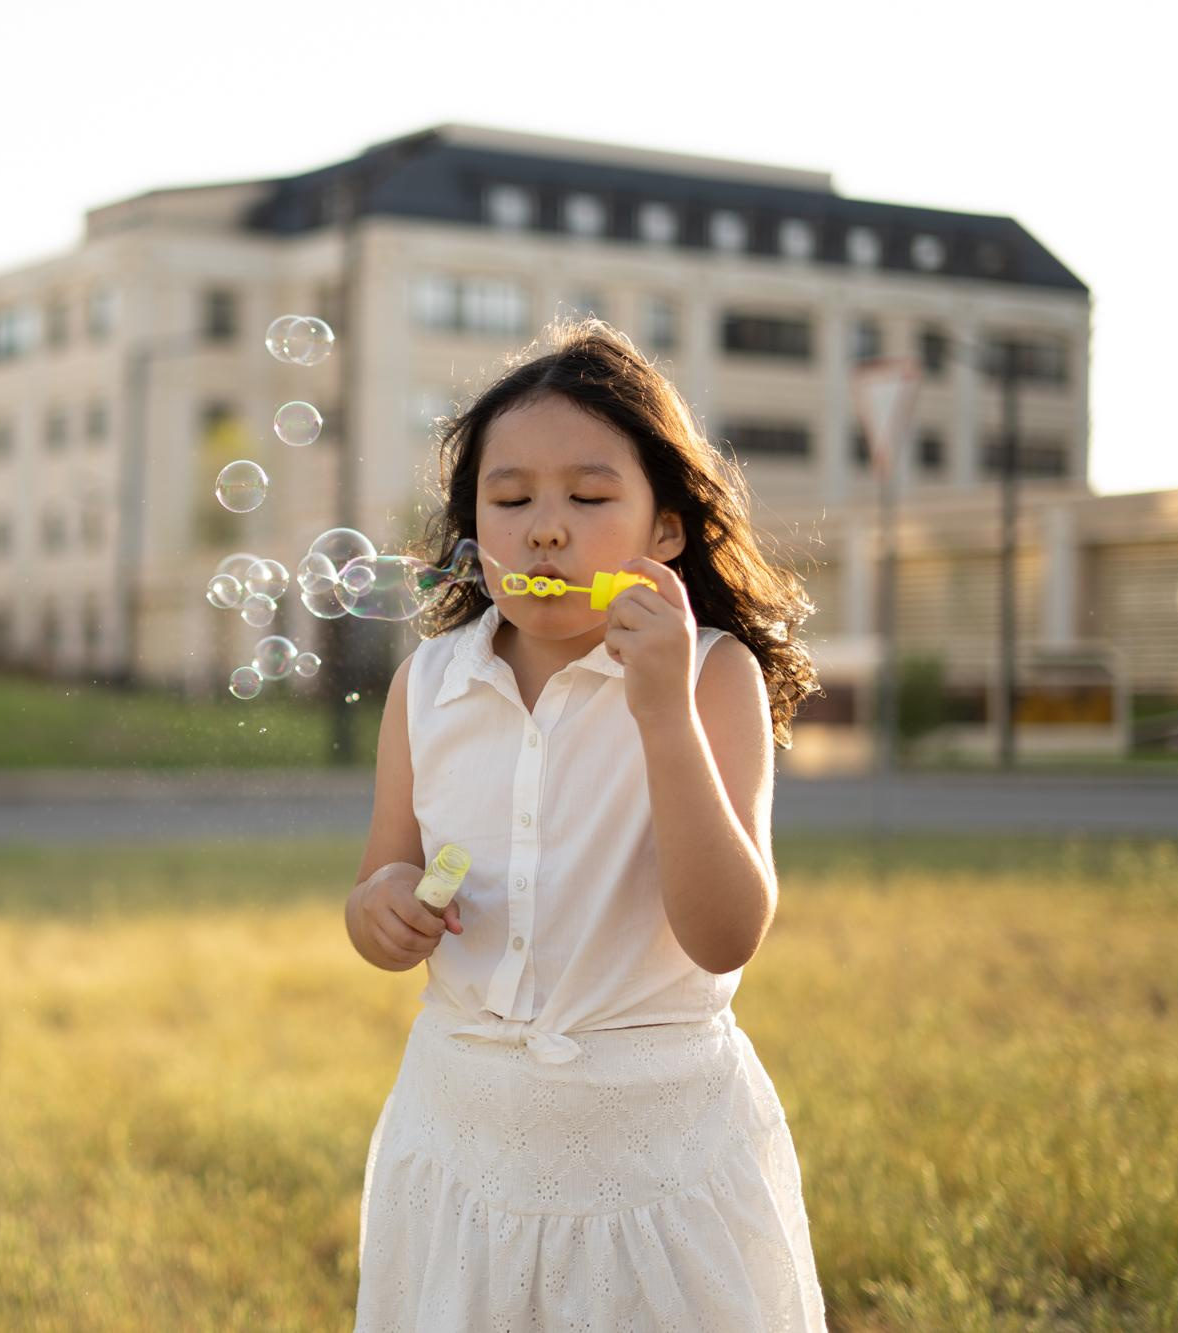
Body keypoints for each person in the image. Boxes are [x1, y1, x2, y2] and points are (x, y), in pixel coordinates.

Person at [344, 319, 827, 1330]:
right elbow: (377, 886)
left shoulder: (707, 675)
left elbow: (725, 931)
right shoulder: (426, 686)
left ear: (665, 528)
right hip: (462, 1140)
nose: (545, 528)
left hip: (653, 1149)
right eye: (510, 499)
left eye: (589, 496)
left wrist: (658, 708)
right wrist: (382, 909)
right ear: (474, 532)